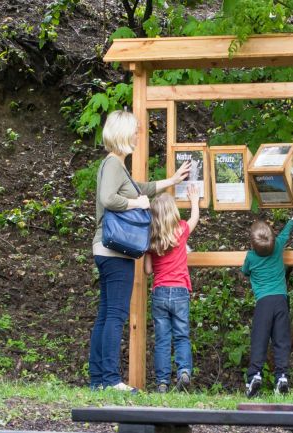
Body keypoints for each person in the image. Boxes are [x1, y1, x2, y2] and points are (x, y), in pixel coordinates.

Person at [90, 110, 191, 393]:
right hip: (114, 252)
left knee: (105, 314)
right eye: (135, 130)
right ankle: (110, 380)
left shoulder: (117, 166)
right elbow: (109, 198)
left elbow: (140, 189)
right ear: (123, 133)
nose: (138, 134)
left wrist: (171, 181)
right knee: (115, 315)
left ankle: (98, 379)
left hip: (106, 250)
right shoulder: (112, 164)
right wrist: (139, 205)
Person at [144, 184, 201, 393]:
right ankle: (184, 371)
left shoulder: (151, 240)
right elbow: (194, 219)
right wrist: (194, 201)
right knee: (181, 336)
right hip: (180, 291)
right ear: (173, 213)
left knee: (162, 339)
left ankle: (161, 383)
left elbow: (148, 270)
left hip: (159, 292)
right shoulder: (181, 230)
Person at [241, 205, 293, 398]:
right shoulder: (278, 246)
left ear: (252, 243)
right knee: (281, 341)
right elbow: (287, 231)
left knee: (260, 340)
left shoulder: (250, 257)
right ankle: (282, 376)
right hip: (281, 302)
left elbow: (245, 272)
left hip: (263, 303)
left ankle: (254, 376)